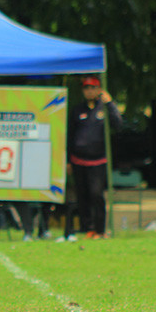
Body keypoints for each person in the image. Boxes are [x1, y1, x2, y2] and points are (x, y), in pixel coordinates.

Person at [68, 76, 122, 239]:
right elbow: (70, 136)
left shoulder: (104, 108)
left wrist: (110, 104)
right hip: (78, 160)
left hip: (98, 161)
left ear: (99, 90)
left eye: (93, 88)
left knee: (96, 194)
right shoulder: (77, 110)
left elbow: (118, 125)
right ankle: (87, 228)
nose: (89, 91)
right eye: (86, 88)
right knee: (82, 195)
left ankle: (100, 229)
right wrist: (68, 161)